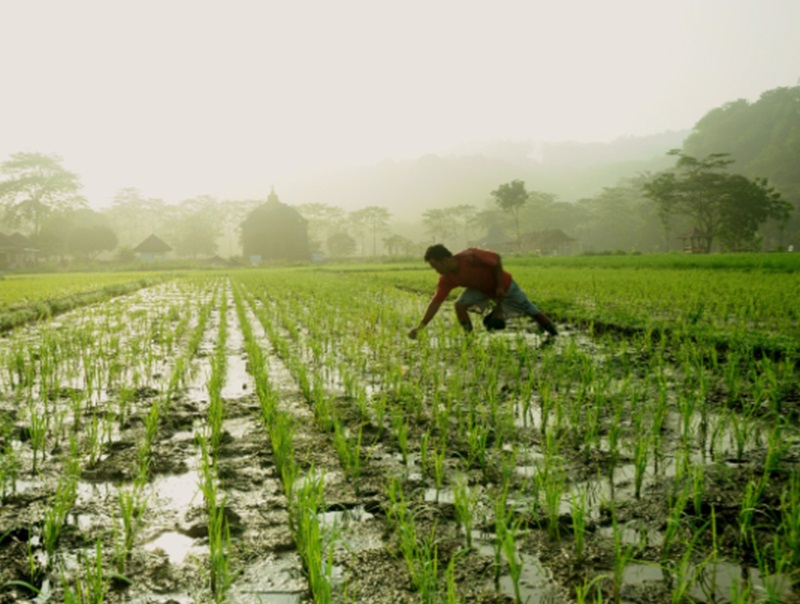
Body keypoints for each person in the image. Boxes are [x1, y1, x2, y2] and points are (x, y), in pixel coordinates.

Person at [407, 244, 559, 339]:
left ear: (445, 260)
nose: (436, 271)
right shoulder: (446, 278)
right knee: (459, 305)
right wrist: (420, 327)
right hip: (480, 290)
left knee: (530, 310)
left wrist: (499, 286)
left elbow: (496, 260)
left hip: (504, 284)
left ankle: (554, 334)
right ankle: (469, 339)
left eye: (436, 266)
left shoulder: (470, 256)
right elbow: (436, 302)